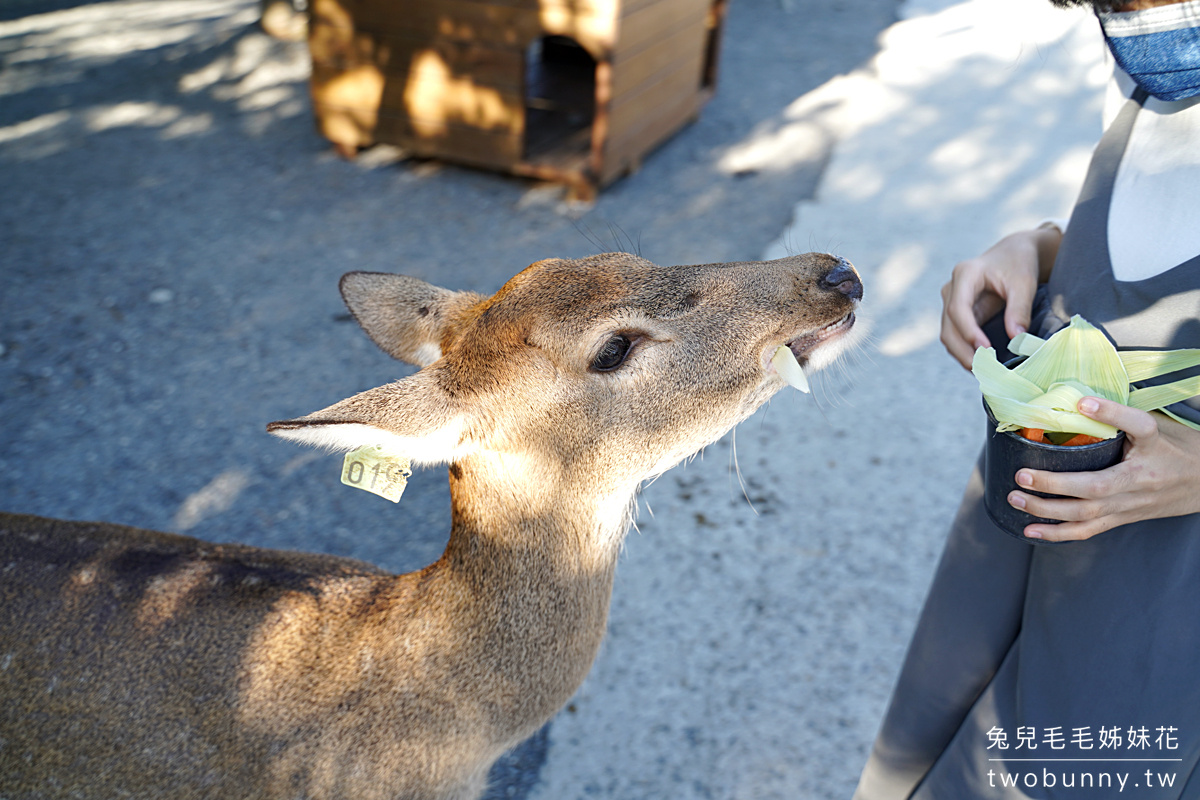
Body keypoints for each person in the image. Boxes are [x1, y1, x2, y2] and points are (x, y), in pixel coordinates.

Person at [854, 0, 1200, 796]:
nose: (1133, 22)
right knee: (938, 745)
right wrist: (1044, 249)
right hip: (1024, 527)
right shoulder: (1152, 51)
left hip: (1162, 594)